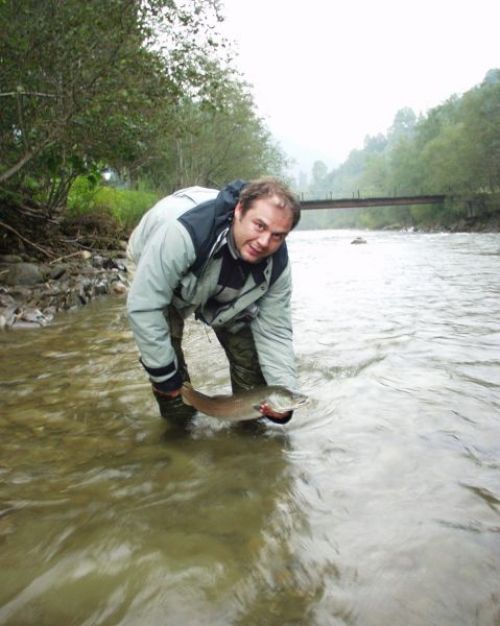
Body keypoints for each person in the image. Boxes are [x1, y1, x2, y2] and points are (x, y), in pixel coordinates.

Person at [126, 177, 301, 426]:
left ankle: (245, 435)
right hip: (159, 268)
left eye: (277, 236)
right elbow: (145, 305)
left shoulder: (277, 266)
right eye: (259, 226)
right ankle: (179, 430)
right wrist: (164, 375)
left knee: (254, 388)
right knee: (170, 386)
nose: (264, 242)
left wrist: (283, 396)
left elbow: (275, 332)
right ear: (239, 210)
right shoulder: (184, 234)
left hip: (226, 282)